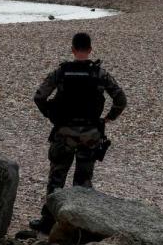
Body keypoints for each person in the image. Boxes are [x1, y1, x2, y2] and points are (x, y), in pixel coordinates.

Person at [30, 32, 127, 232]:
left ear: (73, 49)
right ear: (90, 50)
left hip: (64, 132)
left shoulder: (62, 72)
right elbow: (120, 99)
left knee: (57, 178)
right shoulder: (99, 73)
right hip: (90, 133)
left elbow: (39, 96)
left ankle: (48, 221)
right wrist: (109, 117)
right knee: (83, 181)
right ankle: (79, 225)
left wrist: (51, 114)